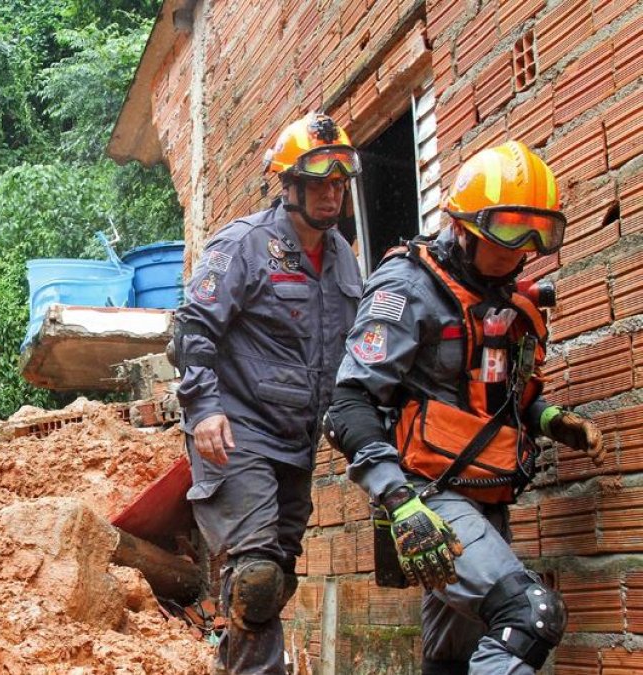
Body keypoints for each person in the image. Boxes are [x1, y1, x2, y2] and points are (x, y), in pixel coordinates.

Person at [324, 141, 605, 674]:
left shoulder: (501, 298)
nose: (521, 248)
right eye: (507, 230)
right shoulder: (410, 285)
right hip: (428, 496)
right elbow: (350, 401)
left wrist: (551, 420)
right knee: (529, 614)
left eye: (537, 233)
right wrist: (400, 503)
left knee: (454, 654)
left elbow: (502, 397)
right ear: (464, 225)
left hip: (487, 493)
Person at [172, 112, 364, 674]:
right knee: (255, 578)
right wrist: (203, 407)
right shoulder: (245, 245)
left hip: (295, 442)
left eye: (341, 179)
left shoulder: (345, 258)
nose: (332, 191)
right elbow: (192, 329)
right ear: (290, 183)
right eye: (320, 178)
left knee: (268, 585)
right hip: (236, 432)